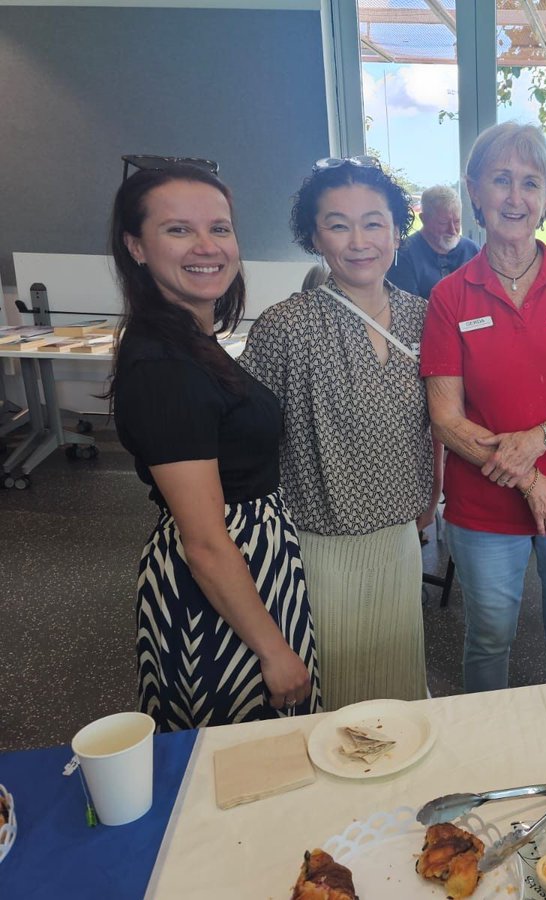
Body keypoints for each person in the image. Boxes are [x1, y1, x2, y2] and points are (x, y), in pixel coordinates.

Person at [109, 163, 320, 730]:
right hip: (221, 585)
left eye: (220, 229)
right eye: (179, 230)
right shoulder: (163, 367)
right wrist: (272, 649)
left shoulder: (191, 340)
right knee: (240, 757)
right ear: (136, 246)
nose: (207, 247)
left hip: (253, 566)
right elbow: (203, 542)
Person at [421, 123, 546, 693]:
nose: (516, 197)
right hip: (485, 503)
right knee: (487, 636)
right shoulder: (451, 296)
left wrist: (539, 439)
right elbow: (445, 417)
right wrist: (531, 479)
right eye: (501, 180)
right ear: (475, 192)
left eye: (531, 183)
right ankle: (489, 752)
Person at [239, 156, 438, 708]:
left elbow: (439, 422)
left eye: (374, 222)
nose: (359, 241)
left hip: (399, 540)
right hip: (319, 545)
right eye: (338, 224)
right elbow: (247, 442)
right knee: (336, 694)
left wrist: (434, 497)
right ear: (314, 236)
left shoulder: (425, 317)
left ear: (398, 230)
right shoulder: (286, 325)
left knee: (397, 682)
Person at [388, 184, 480, 298]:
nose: (452, 230)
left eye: (456, 222)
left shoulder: (472, 251)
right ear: (423, 219)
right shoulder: (404, 255)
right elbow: (408, 308)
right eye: (443, 223)